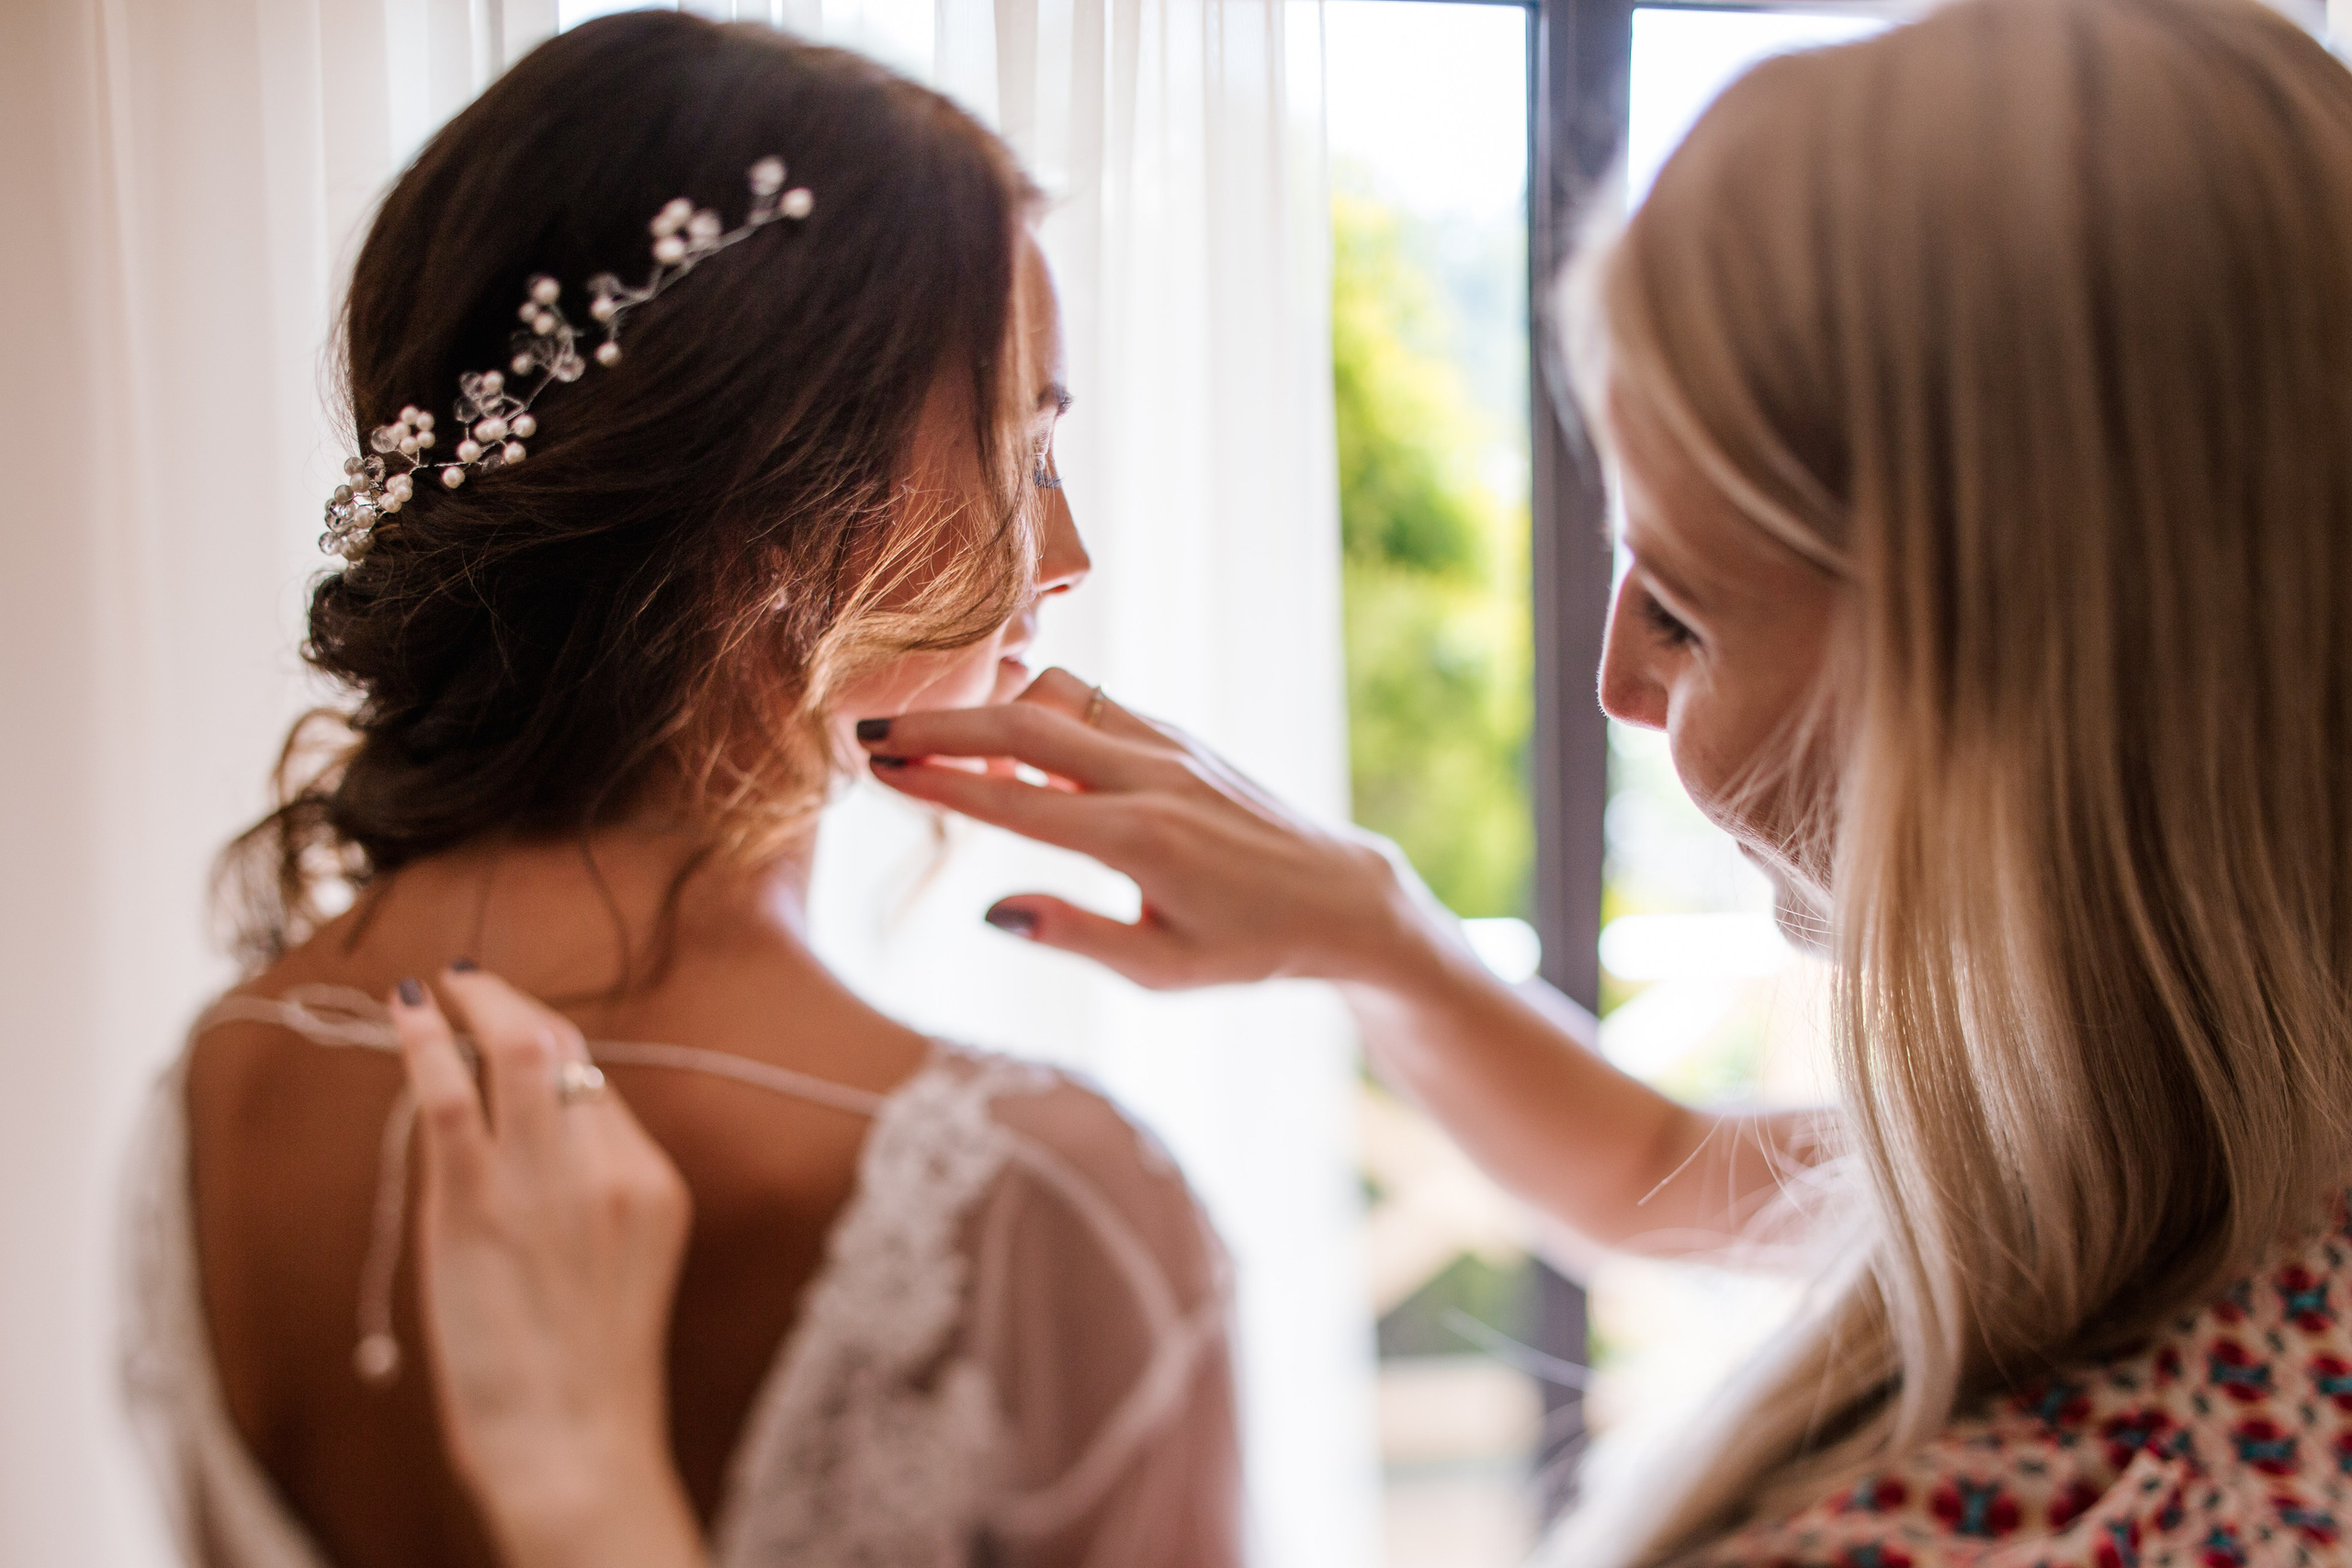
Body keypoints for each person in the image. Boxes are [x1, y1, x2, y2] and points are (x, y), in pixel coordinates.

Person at [389, 0, 2352, 1562]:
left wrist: (587, 1507)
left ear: (2007, 655)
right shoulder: (2236, 1172)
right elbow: (1688, 1174)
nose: (1607, 686)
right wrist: (1382, 936)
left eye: (1676, 602)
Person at [122, 14, 1243, 1568]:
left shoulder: (223, 1089)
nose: (1063, 555)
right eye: (1021, 445)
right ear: (781, 479)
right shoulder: (1048, 1212)